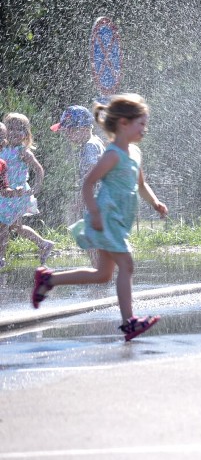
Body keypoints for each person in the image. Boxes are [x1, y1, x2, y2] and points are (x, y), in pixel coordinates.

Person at [30, 94, 167, 342]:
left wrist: (155, 202)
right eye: (141, 124)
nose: (145, 129)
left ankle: (49, 279)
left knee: (102, 274)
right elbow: (88, 183)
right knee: (126, 266)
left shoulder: (134, 152)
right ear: (123, 123)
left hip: (117, 220)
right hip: (107, 219)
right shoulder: (112, 154)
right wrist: (93, 212)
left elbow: (141, 183)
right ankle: (130, 323)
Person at [52, 105, 106, 265]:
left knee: (91, 240)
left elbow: (91, 175)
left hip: (96, 201)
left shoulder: (90, 146)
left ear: (82, 128)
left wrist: (80, 201)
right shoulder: (95, 142)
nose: (66, 135)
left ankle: (101, 276)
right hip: (100, 200)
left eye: (68, 130)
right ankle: (104, 275)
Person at [0, 113, 54, 268]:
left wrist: (37, 186)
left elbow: (38, 169)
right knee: (16, 227)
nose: (15, 132)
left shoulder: (22, 151)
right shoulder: (2, 149)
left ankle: (1, 258)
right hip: (6, 193)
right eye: (11, 129)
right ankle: (44, 244)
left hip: (19, 194)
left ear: (26, 134)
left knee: (3, 225)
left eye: (20, 129)